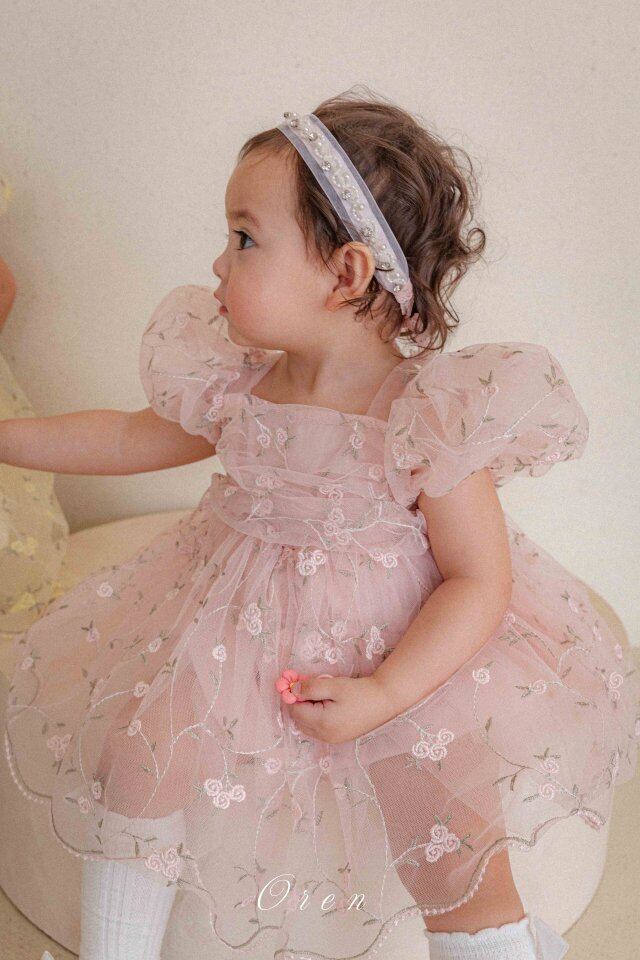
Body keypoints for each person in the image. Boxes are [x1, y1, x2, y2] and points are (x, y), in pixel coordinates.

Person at [1, 91, 638, 960]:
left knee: (445, 816)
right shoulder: (239, 384)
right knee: (139, 750)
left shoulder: (423, 412)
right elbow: (122, 436)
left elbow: (478, 577)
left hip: (390, 647)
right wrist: (10, 437)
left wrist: (388, 693)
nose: (218, 262)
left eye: (244, 238)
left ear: (344, 273)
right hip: (231, 629)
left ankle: (495, 943)